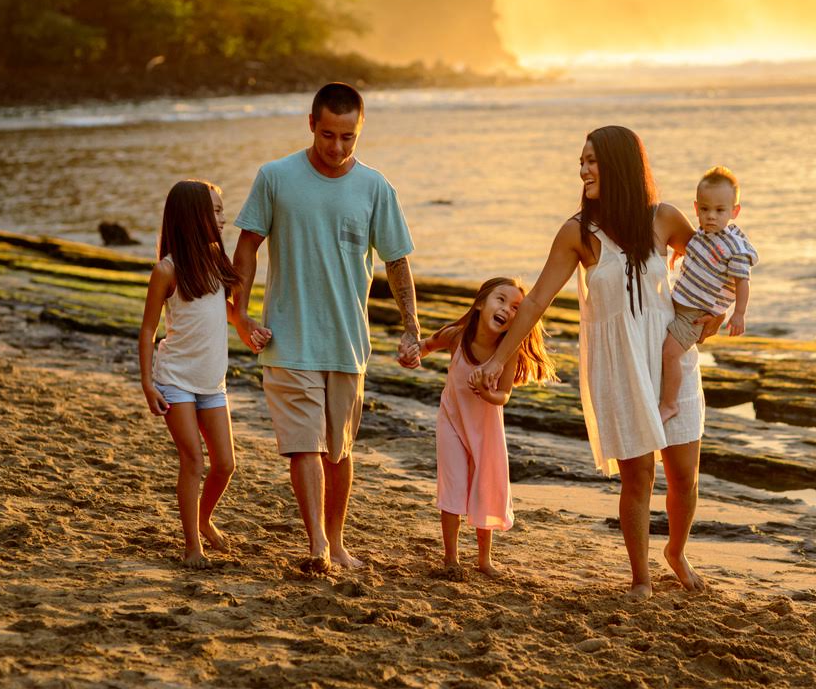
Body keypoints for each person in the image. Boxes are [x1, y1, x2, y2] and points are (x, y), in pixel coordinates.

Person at [470, 126, 721, 600]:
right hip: (620, 367)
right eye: (580, 162)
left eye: (591, 161)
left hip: (671, 359)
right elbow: (537, 299)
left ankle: (677, 551)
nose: (582, 170)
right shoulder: (577, 233)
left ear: (621, 164)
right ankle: (642, 577)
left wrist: (717, 311)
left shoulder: (664, 218)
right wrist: (499, 359)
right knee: (639, 477)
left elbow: (709, 262)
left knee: (685, 474)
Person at [232, 82, 420, 574]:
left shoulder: (376, 187)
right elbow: (248, 247)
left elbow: (396, 261)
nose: (337, 148)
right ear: (311, 124)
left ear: (360, 132)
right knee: (306, 445)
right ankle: (316, 543)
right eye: (329, 135)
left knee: (338, 451)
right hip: (287, 338)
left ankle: (336, 543)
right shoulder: (275, 177)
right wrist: (242, 313)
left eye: (349, 138)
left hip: (346, 342)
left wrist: (411, 329)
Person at [138, 180, 268, 568]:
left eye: (221, 209)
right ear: (193, 217)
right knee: (193, 461)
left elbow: (224, 309)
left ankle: (205, 518)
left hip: (212, 383)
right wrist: (147, 383)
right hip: (175, 379)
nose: (223, 218)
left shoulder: (215, 261)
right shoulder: (167, 270)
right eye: (214, 210)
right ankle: (192, 545)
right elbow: (147, 330)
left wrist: (246, 326)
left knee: (226, 464)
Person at [418, 277, 557, 578]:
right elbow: (429, 344)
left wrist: (486, 392)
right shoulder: (458, 336)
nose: (507, 309)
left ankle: (484, 560)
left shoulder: (508, 353)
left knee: (485, 489)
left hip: (486, 433)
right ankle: (451, 558)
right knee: (453, 487)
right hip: (452, 422)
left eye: (516, 307)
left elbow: (503, 396)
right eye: (501, 300)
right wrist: (414, 353)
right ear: (480, 303)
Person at [658, 166, 758, 422]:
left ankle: (670, 404)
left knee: (670, 354)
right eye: (704, 209)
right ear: (696, 208)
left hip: (696, 314)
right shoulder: (705, 232)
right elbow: (697, 248)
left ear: (735, 211)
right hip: (681, 303)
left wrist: (738, 314)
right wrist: (684, 254)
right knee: (664, 351)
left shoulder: (734, 248)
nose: (711, 216)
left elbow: (742, 282)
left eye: (719, 210)